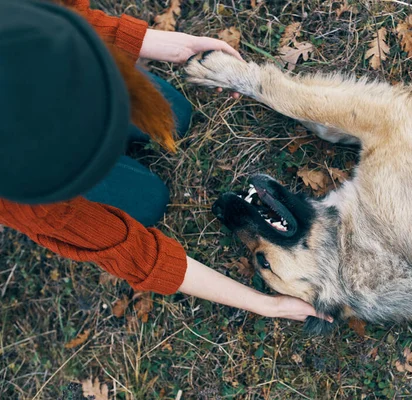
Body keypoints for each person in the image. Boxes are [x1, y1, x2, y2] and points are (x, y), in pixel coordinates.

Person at [0, 0, 330, 324]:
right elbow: (140, 255)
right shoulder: (28, 204)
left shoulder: (26, 23)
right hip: (32, 146)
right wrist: (265, 304)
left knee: (175, 114)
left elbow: (71, 16)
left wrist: (171, 44)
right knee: (148, 201)